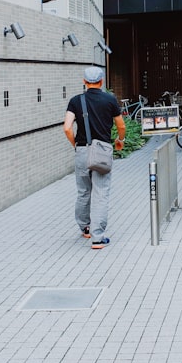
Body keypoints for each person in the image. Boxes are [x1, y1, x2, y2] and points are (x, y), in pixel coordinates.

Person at [63, 66, 126, 249]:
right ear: (102, 81)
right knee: (101, 192)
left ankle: (85, 228)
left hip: (82, 150)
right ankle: (98, 237)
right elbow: (121, 126)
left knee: (83, 191)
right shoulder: (110, 99)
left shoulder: (76, 101)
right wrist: (120, 140)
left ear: (84, 81)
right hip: (102, 152)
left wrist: (76, 144)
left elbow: (67, 128)